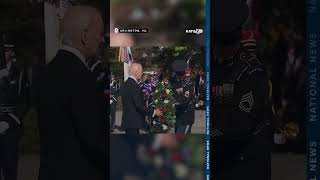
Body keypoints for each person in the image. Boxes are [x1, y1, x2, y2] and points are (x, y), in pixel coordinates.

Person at [37, 6, 107, 180]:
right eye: (99, 33)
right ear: (84, 36)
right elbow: (95, 140)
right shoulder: (81, 78)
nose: (101, 39)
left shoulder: (43, 73)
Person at [212, 0, 274, 179]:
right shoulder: (215, 64)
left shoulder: (251, 72)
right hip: (220, 159)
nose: (220, 53)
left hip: (244, 163)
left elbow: (240, 125)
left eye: (225, 48)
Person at [0, 32, 30, 180]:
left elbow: (24, 101)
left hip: (10, 128)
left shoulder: (19, 73)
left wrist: (8, 122)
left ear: (11, 52)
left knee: (10, 170)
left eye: (5, 50)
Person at [120, 63, 162, 135]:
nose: (142, 73)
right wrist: (154, 112)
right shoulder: (135, 86)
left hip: (128, 121)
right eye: (141, 71)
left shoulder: (125, 84)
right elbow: (139, 105)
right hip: (134, 122)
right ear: (136, 71)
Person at [171, 60, 195, 134]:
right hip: (178, 115)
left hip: (186, 116)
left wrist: (171, 103)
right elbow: (172, 93)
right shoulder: (175, 82)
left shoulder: (189, 83)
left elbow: (184, 100)